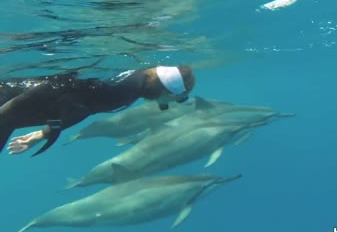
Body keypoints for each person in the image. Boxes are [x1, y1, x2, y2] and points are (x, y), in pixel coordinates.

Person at [0, 65, 195, 156]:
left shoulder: (135, 76)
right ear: (170, 93)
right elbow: (58, 89)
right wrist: (6, 114)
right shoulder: (125, 92)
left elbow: (82, 106)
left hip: (12, 105)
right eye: (181, 98)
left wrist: (45, 132)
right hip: (10, 102)